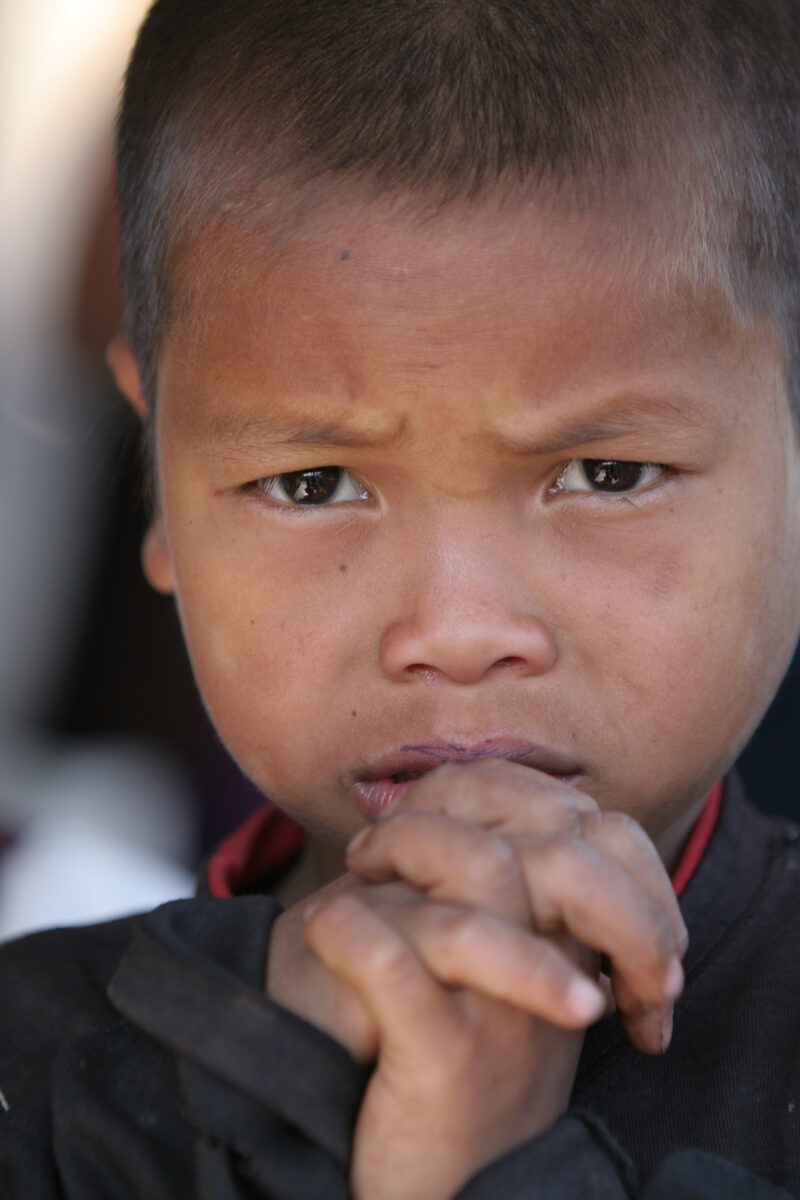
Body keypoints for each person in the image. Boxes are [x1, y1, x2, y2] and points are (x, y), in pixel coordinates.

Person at [1, 0, 799, 1196]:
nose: (457, 633)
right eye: (312, 483)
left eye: (606, 474)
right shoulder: (49, 1087)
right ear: (158, 469)